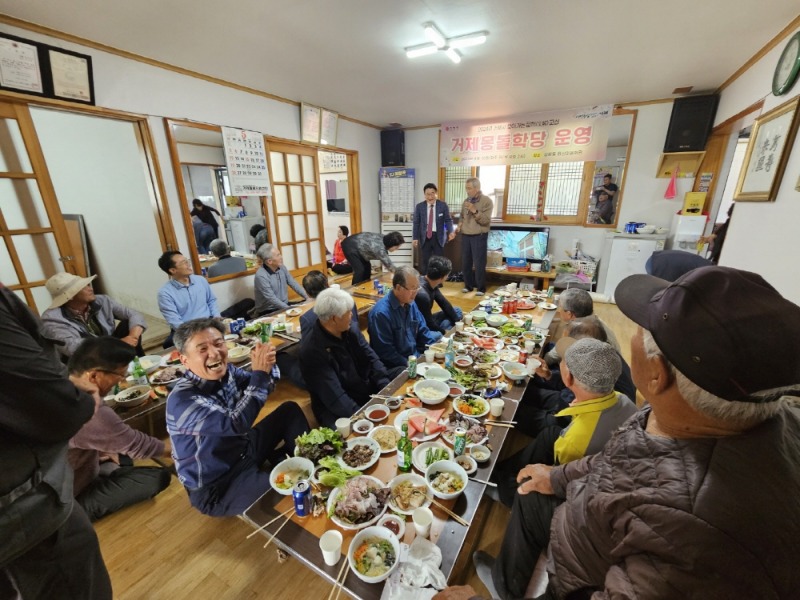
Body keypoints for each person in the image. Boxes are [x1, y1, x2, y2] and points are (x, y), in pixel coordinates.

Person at [476, 266, 800, 600]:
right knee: (532, 496)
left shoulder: (693, 527)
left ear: (657, 375)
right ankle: (506, 586)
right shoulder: (677, 412)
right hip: (590, 513)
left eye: (642, 330)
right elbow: (613, 458)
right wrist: (557, 477)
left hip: (587, 570)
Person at [0, 284, 112, 599]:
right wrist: (80, 396)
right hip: (25, 510)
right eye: (81, 286)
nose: (89, 288)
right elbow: (59, 410)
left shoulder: (101, 303)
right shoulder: (55, 319)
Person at [166, 318, 310, 517]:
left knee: (289, 410)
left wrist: (266, 364)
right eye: (202, 349)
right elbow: (236, 423)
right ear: (184, 360)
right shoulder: (182, 401)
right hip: (218, 484)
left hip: (243, 449)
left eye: (218, 343)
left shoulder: (227, 372)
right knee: (290, 497)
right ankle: (279, 468)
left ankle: (306, 461)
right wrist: (260, 373)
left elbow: (263, 385)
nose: (215, 353)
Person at [490, 338, 636, 507]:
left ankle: (503, 491)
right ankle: (500, 471)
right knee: (551, 434)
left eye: (563, 362)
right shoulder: (621, 398)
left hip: (587, 494)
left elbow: (561, 483)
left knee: (531, 491)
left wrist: (547, 473)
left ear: (568, 377)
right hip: (610, 465)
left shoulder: (576, 441)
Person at [66, 337, 171, 521]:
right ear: (94, 376)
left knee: (121, 457)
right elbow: (140, 446)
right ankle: (73, 515)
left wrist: (102, 449)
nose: (121, 381)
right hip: (67, 494)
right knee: (157, 477)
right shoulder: (89, 408)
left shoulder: (60, 384)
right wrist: (184, 448)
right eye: (120, 376)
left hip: (81, 468)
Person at [517, 315, 636, 439]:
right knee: (529, 391)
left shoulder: (591, 369)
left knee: (518, 413)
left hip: (590, 424)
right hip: (588, 404)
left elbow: (569, 399)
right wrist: (549, 375)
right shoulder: (603, 353)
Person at [299, 289, 391, 428]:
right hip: (337, 407)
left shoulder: (350, 328)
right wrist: (361, 418)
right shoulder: (312, 351)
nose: (352, 315)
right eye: (348, 312)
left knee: (400, 377)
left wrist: (386, 389)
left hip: (364, 389)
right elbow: (335, 397)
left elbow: (372, 358)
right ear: (334, 318)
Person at [41, 272, 147, 359]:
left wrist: (132, 337)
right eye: (84, 287)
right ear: (71, 296)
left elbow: (134, 314)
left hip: (109, 348)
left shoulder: (102, 300)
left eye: (88, 285)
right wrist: (117, 344)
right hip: (85, 358)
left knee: (128, 324)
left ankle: (140, 362)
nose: (90, 289)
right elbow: (72, 347)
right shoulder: (52, 319)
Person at [368, 266, 442, 373]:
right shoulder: (381, 314)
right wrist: (411, 363)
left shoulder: (410, 303)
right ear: (398, 288)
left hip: (414, 354)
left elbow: (423, 330)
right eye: (412, 288)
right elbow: (386, 352)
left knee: (439, 338)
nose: (415, 292)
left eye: (417, 288)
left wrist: (436, 349)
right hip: (395, 364)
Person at [157, 251, 220, 346]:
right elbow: (175, 322)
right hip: (187, 330)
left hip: (208, 322)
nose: (188, 264)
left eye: (187, 260)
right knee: (168, 344)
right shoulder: (165, 293)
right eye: (183, 262)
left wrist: (216, 317)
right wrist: (195, 335)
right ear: (173, 270)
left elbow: (211, 300)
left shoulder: (200, 280)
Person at [544, 288, 619, 365]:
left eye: (560, 307)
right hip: (608, 364)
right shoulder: (593, 320)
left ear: (570, 314)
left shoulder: (580, 330)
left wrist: (543, 361)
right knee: (548, 346)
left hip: (593, 370)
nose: (559, 310)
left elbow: (554, 356)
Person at [459, 177, 493, 296]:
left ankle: (480, 288)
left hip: (479, 235)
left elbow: (485, 221)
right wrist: (459, 226)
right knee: (466, 262)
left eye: (469, 188)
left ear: (477, 188)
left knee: (479, 262)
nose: (467, 191)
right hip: (465, 235)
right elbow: (462, 216)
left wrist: (474, 210)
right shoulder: (466, 201)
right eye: (466, 188)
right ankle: (468, 286)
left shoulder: (487, 201)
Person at [253, 243, 308, 316]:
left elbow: (293, 283)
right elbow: (272, 299)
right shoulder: (261, 276)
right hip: (268, 310)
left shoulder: (282, 267)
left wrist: (307, 297)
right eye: (278, 255)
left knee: (306, 307)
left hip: (283, 305)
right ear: (269, 261)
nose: (281, 257)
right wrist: (290, 309)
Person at [413, 183, 455, 275]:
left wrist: (451, 231)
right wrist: (415, 238)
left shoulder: (443, 205)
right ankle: (425, 282)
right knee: (425, 261)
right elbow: (416, 223)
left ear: (436, 193)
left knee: (439, 261)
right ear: (424, 195)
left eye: (432, 193)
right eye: (428, 194)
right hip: (425, 237)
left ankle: (438, 283)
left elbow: (448, 220)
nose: (430, 196)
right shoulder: (419, 207)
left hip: (438, 237)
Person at [414, 255, 462, 334]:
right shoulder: (422, 295)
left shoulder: (429, 281)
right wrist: (444, 332)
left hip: (428, 319)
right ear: (443, 277)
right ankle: (443, 333)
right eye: (448, 274)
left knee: (457, 310)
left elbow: (444, 303)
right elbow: (428, 323)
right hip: (421, 326)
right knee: (447, 326)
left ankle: (448, 328)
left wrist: (458, 323)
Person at [340, 230, 405, 286]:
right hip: (349, 247)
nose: (397, 249)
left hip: (359, 248)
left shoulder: (384, 238)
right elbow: (390, 266)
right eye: (396, 247)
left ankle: (364, 287)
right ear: (391, 244)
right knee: (360, 270)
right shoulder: (379, 248)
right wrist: (403, 276)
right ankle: (354, 289)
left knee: (367, 268)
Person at [645, 249, 713, 282]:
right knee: (665, 290)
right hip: (660, 264)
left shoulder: (703, 263)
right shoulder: (706, 270)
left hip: (656, 258)